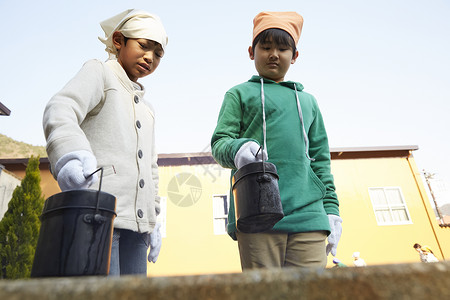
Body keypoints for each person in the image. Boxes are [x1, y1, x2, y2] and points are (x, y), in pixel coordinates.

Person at [211, 11, 342, 270]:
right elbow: (220, 143)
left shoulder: (308, 102)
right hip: (256, 212)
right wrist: (238, 149)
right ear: (252, 51)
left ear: (294, 56)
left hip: (310, 217)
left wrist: (332, 209)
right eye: (266, 47)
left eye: (283, 48)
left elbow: (320, 161)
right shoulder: (238, 94)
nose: (274, 54)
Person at [42, 9, 168, 276]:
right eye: (144, 46)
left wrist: (154, 218)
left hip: (137, 227)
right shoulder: (100, 72)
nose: (150, 57)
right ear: (119, 40)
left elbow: (151, 168)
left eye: (158, 54)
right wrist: (70, 154)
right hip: (98, 217)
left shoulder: (148, 110)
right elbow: (61, 107)